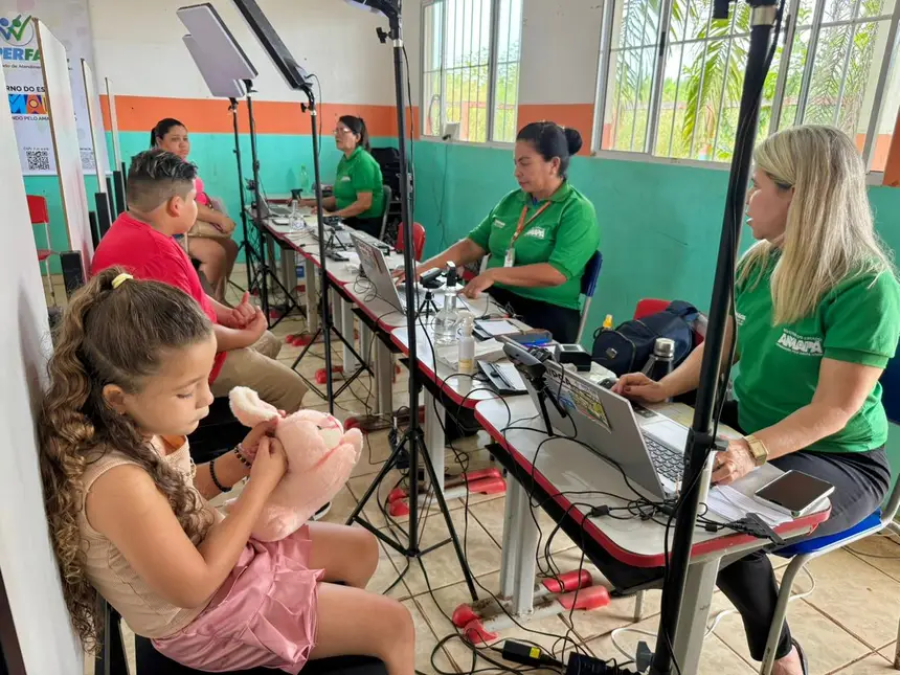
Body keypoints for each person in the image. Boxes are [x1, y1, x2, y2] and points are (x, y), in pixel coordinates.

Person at [613, 125, 900, 675]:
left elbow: (835, 410)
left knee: (725, 528)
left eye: (760, 185)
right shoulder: (759, 262)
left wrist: (751, 450)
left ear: (802, 196)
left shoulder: (864, 286)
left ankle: (781, 657)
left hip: (841, 457)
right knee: (672, 479)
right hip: (759, 434)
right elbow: (722, 346)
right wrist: (664, 387)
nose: (749, 199)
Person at [38, 268, 416, 674]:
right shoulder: (116, 483)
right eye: (186, 391)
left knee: (361, 548)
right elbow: (195, 586)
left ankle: (334, 637)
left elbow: (180, 492)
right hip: (205, 620)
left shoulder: (139, 428)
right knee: (396, 624)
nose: (205, 399)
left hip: (224, 565)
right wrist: (261, 485)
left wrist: (241, 458)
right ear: (118, 397)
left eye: (204, 380)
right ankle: (343, 633)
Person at [91, 149, 309, 416]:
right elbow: (190, 337)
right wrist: (244, 336)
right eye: (195, 200)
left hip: (182, 347)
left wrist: (228, 314)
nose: (198, 207)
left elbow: (189, 298)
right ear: (176, 205)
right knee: (292, 387)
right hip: (177, 365)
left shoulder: (137, 227)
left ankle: (246, 412)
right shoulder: (157, 254)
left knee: (269, 341)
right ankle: (260, 445)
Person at [410, 121, 600, 343]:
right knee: (440, 332)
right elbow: (473, 244)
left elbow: (556, 272)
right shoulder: (512, 201)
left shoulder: (577, 210)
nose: (516, 172)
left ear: (554, 164)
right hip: (498, 304)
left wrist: (493, 274)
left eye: (525, 163)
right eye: (515, 164)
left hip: (546, 314)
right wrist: (421, 269)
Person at [151, 118, 239, 303]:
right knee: (215, 253)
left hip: (189, 225)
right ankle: (203, 307)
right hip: (172, 232)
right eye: (176, 139)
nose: (183, 144)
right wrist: (218, 217)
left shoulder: (181, 164)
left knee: (230, 247)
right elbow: (185, 201)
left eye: (185, 138)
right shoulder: (162, 168)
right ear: (160, 141)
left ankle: (218, 299)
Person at [301, 115, 385, 238]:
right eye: (336, 131)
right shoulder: (345, 160)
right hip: (347, 220)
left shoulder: (363, 162)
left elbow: (364, 204)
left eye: (342, 131)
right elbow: (338, 199)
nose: (337, 135)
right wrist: (306, 203)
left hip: (362, 226)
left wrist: (332, 216)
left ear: (357, 137)